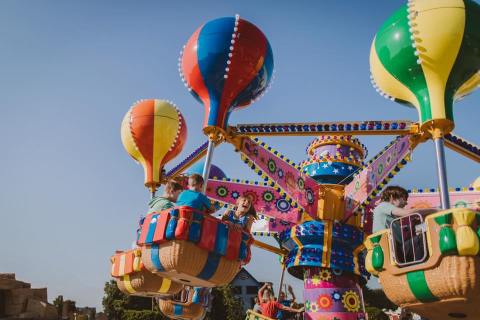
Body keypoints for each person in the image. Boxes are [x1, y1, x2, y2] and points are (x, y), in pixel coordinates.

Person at [372, 186, 436, 263]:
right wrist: (434, 210)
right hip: (390, 251)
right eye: (404, 198)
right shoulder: (383, 205)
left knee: (422, 236)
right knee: (422, 238)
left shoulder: (393, 219)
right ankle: (419, 265)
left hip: (395, 250)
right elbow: (408, 213)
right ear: (392, 197)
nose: (406, 202)